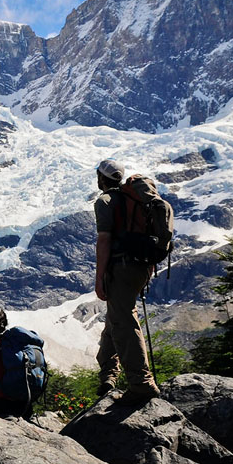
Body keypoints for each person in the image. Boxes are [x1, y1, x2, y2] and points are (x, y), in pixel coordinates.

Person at [94, 158, 160, 403]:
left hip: (121, 267)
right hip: (141, 267)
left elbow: (104, 241)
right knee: (116, 318)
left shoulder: (105, 201)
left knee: (124, 322)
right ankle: (109, 375)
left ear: (102, 178)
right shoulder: (133, 199)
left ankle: (141, 383)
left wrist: (99, 277)